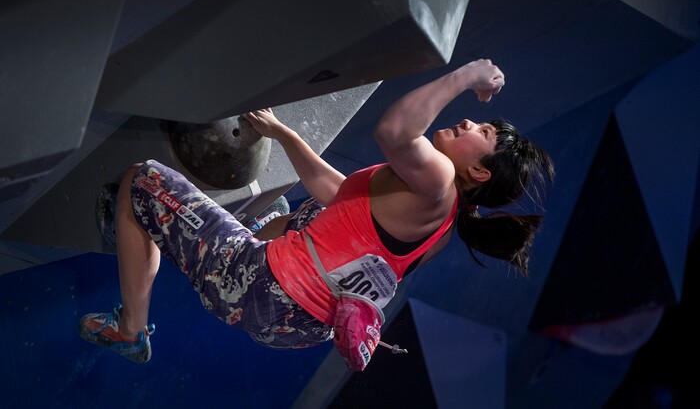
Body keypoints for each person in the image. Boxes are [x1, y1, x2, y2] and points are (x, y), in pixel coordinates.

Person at [78, 59, 554, 369]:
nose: (469, 121)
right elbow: (338, 194)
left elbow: (395, 129)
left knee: (143, 181)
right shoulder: (443, 228)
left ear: (478, 171)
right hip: (296, 330)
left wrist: (468, 75)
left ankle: (131, 328)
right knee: (293, 210)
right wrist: (283, 133)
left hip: (259, 288)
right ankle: (170, 234)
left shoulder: (438, 182)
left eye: (483, 131)